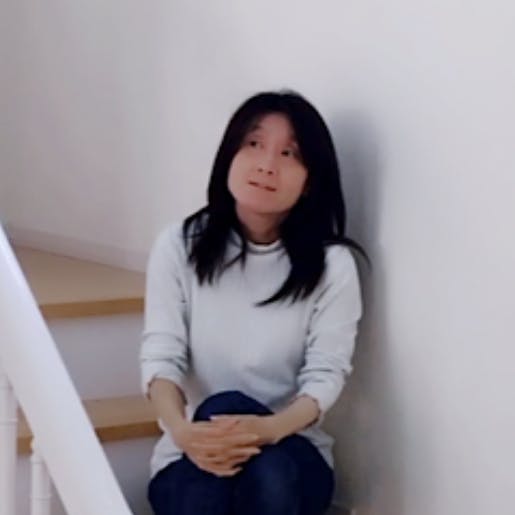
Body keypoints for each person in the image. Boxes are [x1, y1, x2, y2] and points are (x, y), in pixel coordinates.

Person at [140, 90, 365, 515]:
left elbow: (325, 375)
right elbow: (161, 357)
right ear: (230, 154)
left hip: (294, 451)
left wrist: (267, 429)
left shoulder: (332, 265)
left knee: (264, 468)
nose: (266, 164)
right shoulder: (178, 246)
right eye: (254, 144)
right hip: (194, 449)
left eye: (289, 153)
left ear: (310, 180)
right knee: (209, 478)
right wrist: (183, 433)